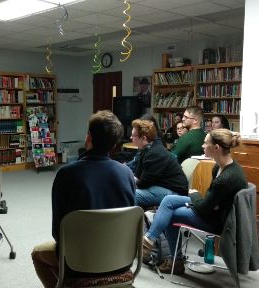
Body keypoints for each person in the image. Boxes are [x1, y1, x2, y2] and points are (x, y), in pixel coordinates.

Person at [31, 110, 135, 288]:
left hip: (78, 263)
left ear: (89, 138)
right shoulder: (126, 173)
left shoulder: (66, 174)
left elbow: (58, 232)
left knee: (37, 254)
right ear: (114, 144)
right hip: (121, 259)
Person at [143, 129, 247, 275]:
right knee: (168, 200)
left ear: (216, 148)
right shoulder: (220, 167)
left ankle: (176, 261)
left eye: (205, 143)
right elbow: (211, 202)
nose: (202, 146)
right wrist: (202, 199)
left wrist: (196, 195)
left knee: (172, 215)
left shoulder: (227, 178)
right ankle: (148, 241)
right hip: (213, 210)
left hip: (217, 221)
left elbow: (205, 207)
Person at [131, 119, 188, 207]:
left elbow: (144, 183)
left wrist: (127, 184)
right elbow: (138, 176)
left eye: (133, 135)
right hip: (163, 187)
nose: (131, 138)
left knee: (130, 195)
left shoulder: (155, 153)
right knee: (127, 191)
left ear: (143, 138)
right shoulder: (148, 149)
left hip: (175, 192)